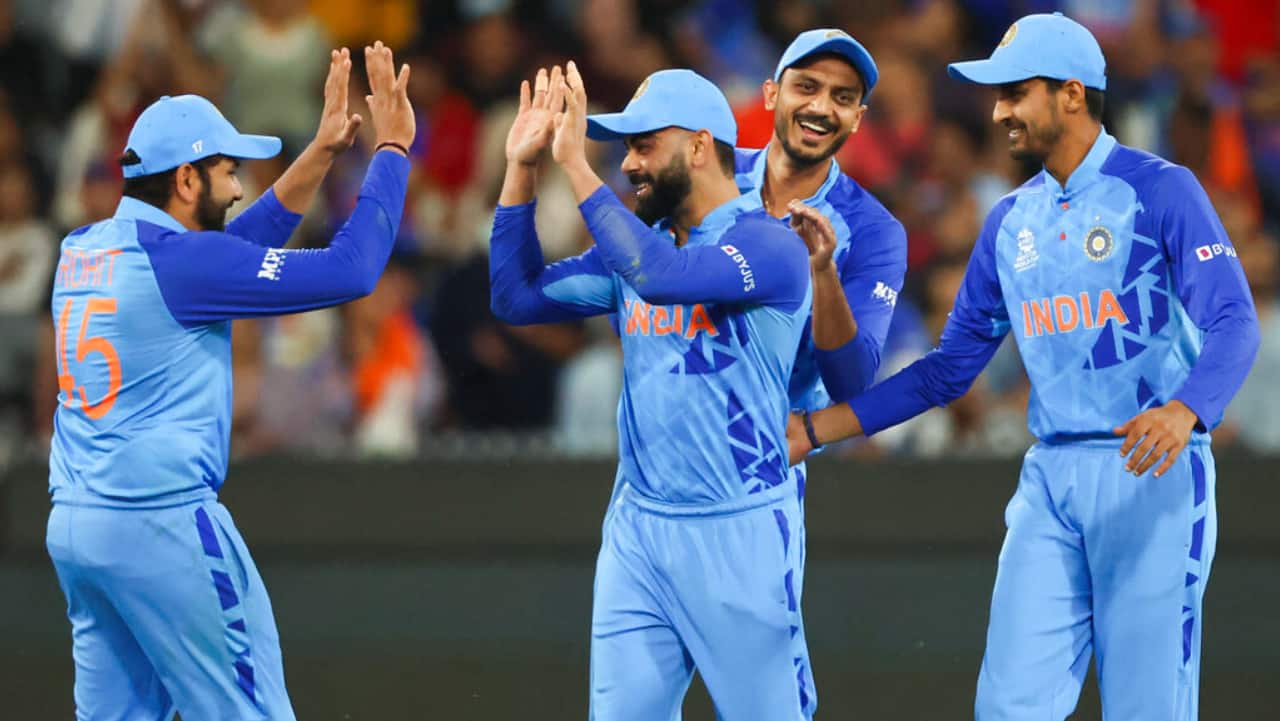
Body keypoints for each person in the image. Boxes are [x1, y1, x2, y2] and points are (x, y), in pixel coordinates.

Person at [788, 13, 1260, 720]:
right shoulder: (1010, 220)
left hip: (1153, 475)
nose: (998, 112)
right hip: (1051, 482)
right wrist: (814, 429)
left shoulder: (1162, 190)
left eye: (1015, 93)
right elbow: (949, 370)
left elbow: (1235, 321)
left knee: (1148, 708)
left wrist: (1186, 409)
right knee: (1009, 707)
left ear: (1072, 94)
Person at [45, 42, 415, 721]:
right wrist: (390, 151)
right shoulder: (183, 266)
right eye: (227, 170)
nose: (240, 185)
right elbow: (354, 269)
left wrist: (321, 152)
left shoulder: (82, 248)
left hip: (79, 527)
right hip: (160, 528)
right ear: (187, 180)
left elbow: (231, 249)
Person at [490, 63, 815, 719]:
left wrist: (574, 164)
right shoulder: (636, 249)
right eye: (625, 149)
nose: (628, 164)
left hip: (741, 532)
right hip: (639, 531)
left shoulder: (769, 244)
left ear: (699, 146)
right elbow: (515, 297)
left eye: (643, 146)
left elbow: (664, 278)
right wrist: (522, 169)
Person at [736, 28, 907, 462]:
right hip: (666, 453)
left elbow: (851, 382)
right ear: (771, 94)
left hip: (765, 462)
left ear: (857, 118)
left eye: (842, 97)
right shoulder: (712, 178)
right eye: (807, 87)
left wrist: (823, 272)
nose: (821, 108)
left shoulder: (874, 230)